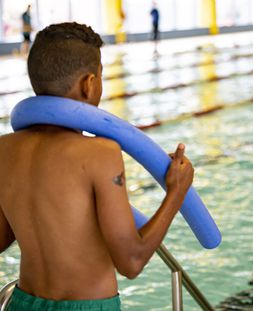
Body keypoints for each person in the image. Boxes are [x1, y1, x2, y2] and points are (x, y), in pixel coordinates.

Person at [0, 22, 194, 310]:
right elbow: (131, 261)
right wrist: (176, 192)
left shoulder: (5, 148)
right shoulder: (99, 152)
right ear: (89, 84)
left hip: (23, 302)